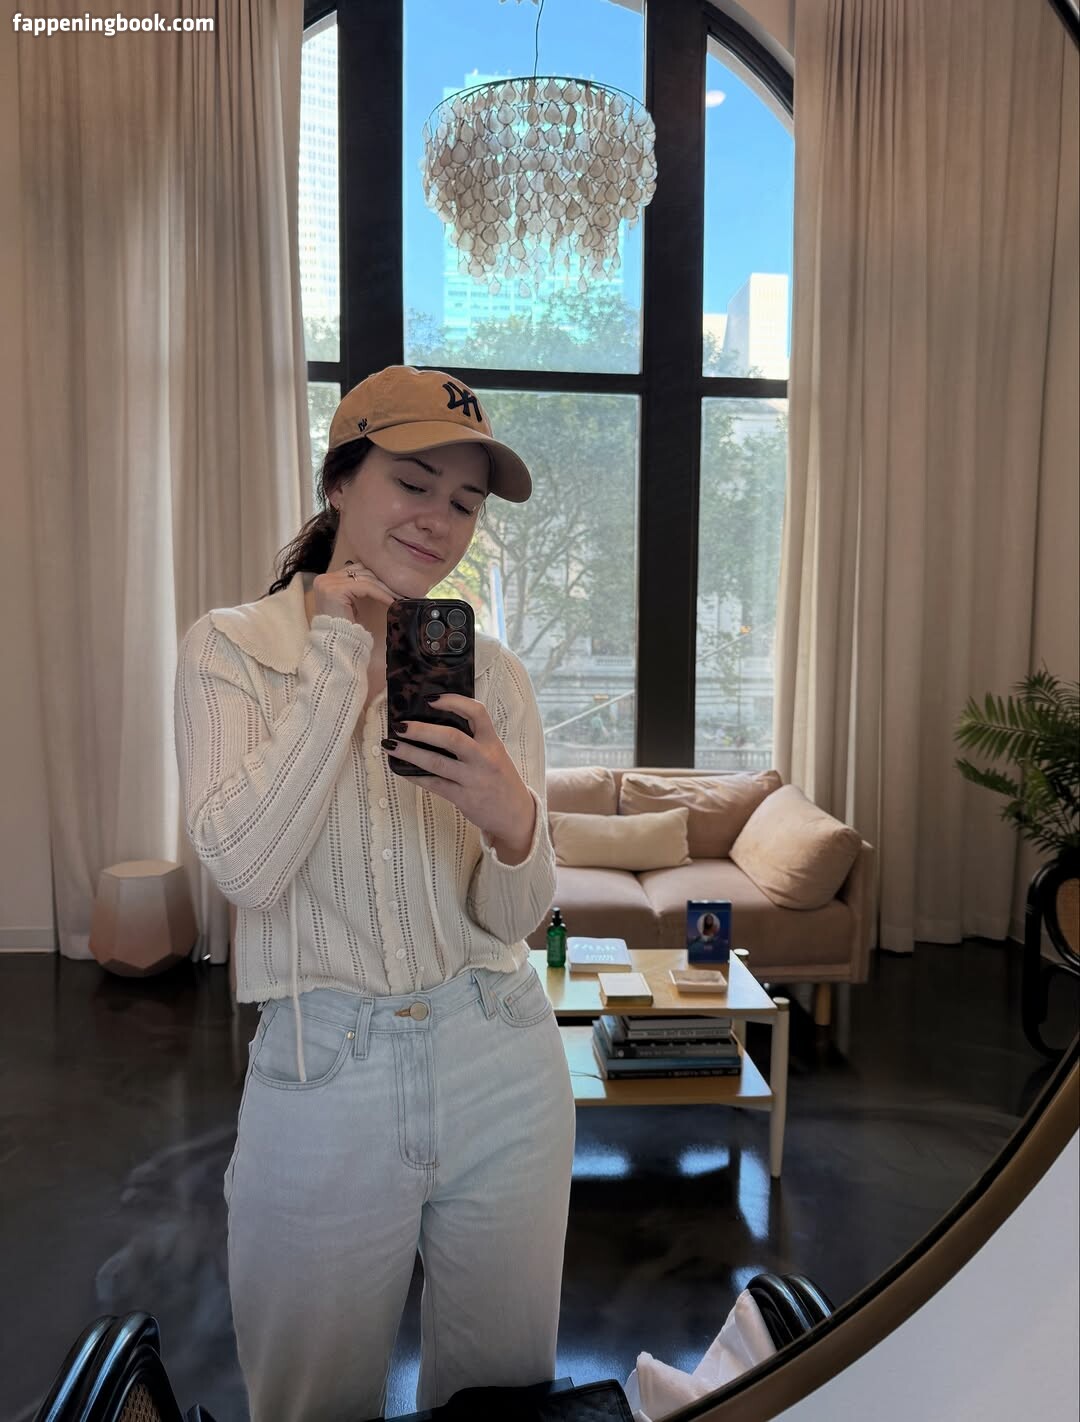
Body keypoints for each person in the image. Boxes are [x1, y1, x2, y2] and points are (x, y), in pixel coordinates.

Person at [174, 366, 575, 1422]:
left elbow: (514, 921)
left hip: (504, 1055)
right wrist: (340, 655)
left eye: (466, 501)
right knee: (310, 1403)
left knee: (504, 1401)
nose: (441, 519)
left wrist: (513, 822)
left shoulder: (492, 675)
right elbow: (247, 869)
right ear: (339, 481)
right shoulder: (232, 651)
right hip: (325, 1073)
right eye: (414, 482)